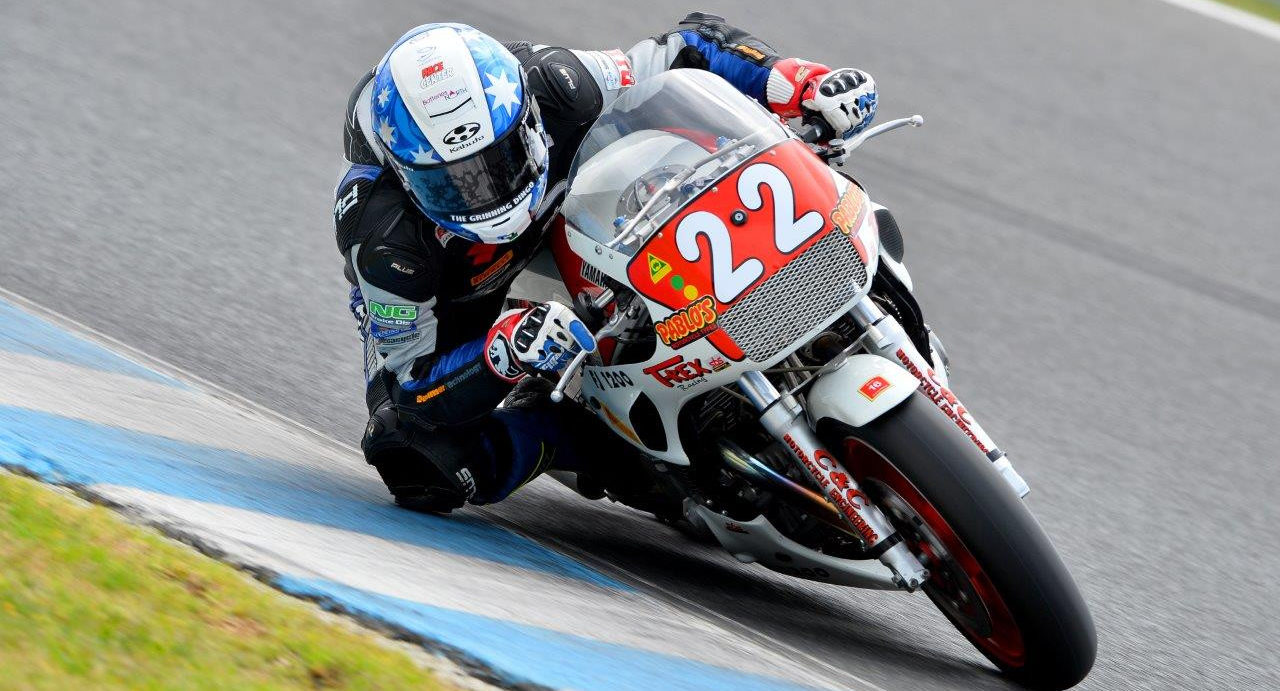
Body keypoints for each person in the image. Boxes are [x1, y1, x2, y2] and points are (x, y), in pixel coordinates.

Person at [334, 13, 879, 513]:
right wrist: (501, 353)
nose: (482, 192)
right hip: (464, 301)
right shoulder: (384, 241)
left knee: (776, 157)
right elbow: (408, 385)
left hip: (584, 207)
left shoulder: (554, 81)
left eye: (497, 160)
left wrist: (799, 83)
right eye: (448, 181)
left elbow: (684, 47)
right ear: (405, 176)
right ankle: (593, 439)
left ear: (523, 116)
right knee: (415, 456)